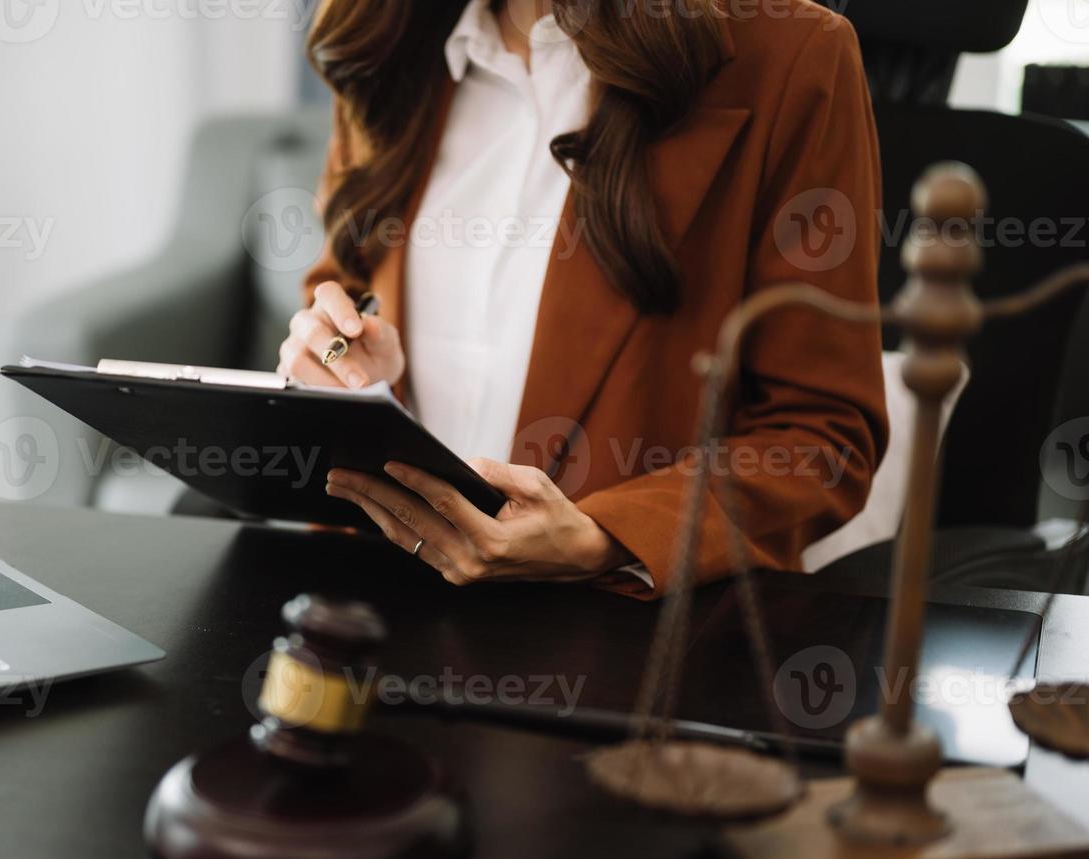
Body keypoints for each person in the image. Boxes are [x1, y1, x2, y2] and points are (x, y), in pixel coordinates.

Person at [278, 0, 888, 597]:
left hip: (620, 636)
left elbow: (822, 438)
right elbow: (343, 289)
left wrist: (605, 538)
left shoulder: (792, 53)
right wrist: (351, 372)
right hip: (371, 603)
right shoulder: (390, 35)